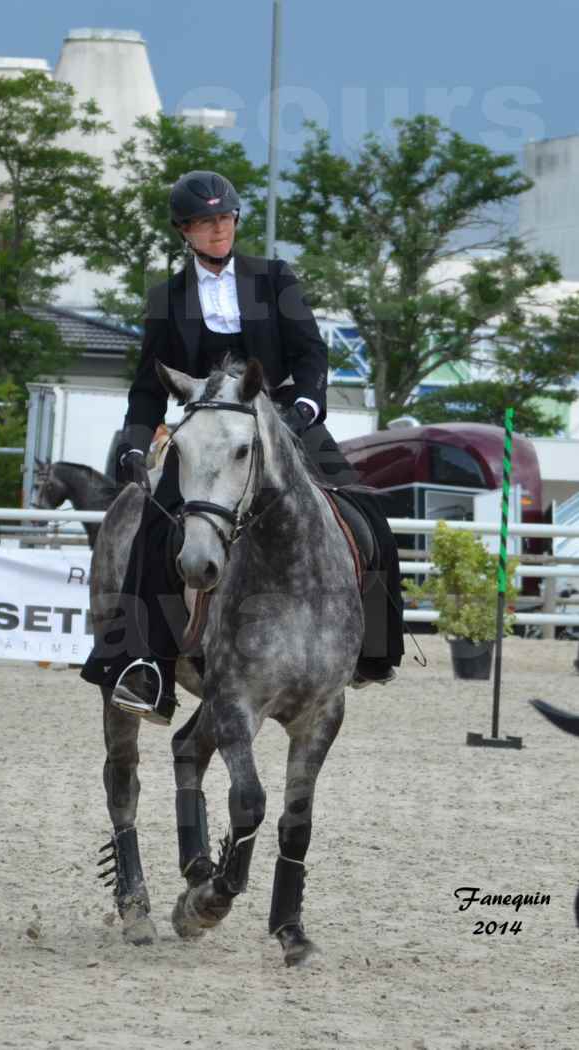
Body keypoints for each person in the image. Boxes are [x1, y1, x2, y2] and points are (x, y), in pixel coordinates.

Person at [81, 170, 404, 725]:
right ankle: (145, 666)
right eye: (205, 222)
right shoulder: (167, 298)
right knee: (151, 529)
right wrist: (134, 445)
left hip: (282, 421)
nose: (218, 229)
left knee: (366, 508)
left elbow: (310, 355)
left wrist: (306, 405)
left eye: (225, 218)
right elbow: (146, 387)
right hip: (207, 433)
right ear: (184, 230)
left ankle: (373, 645)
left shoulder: (274, 278)